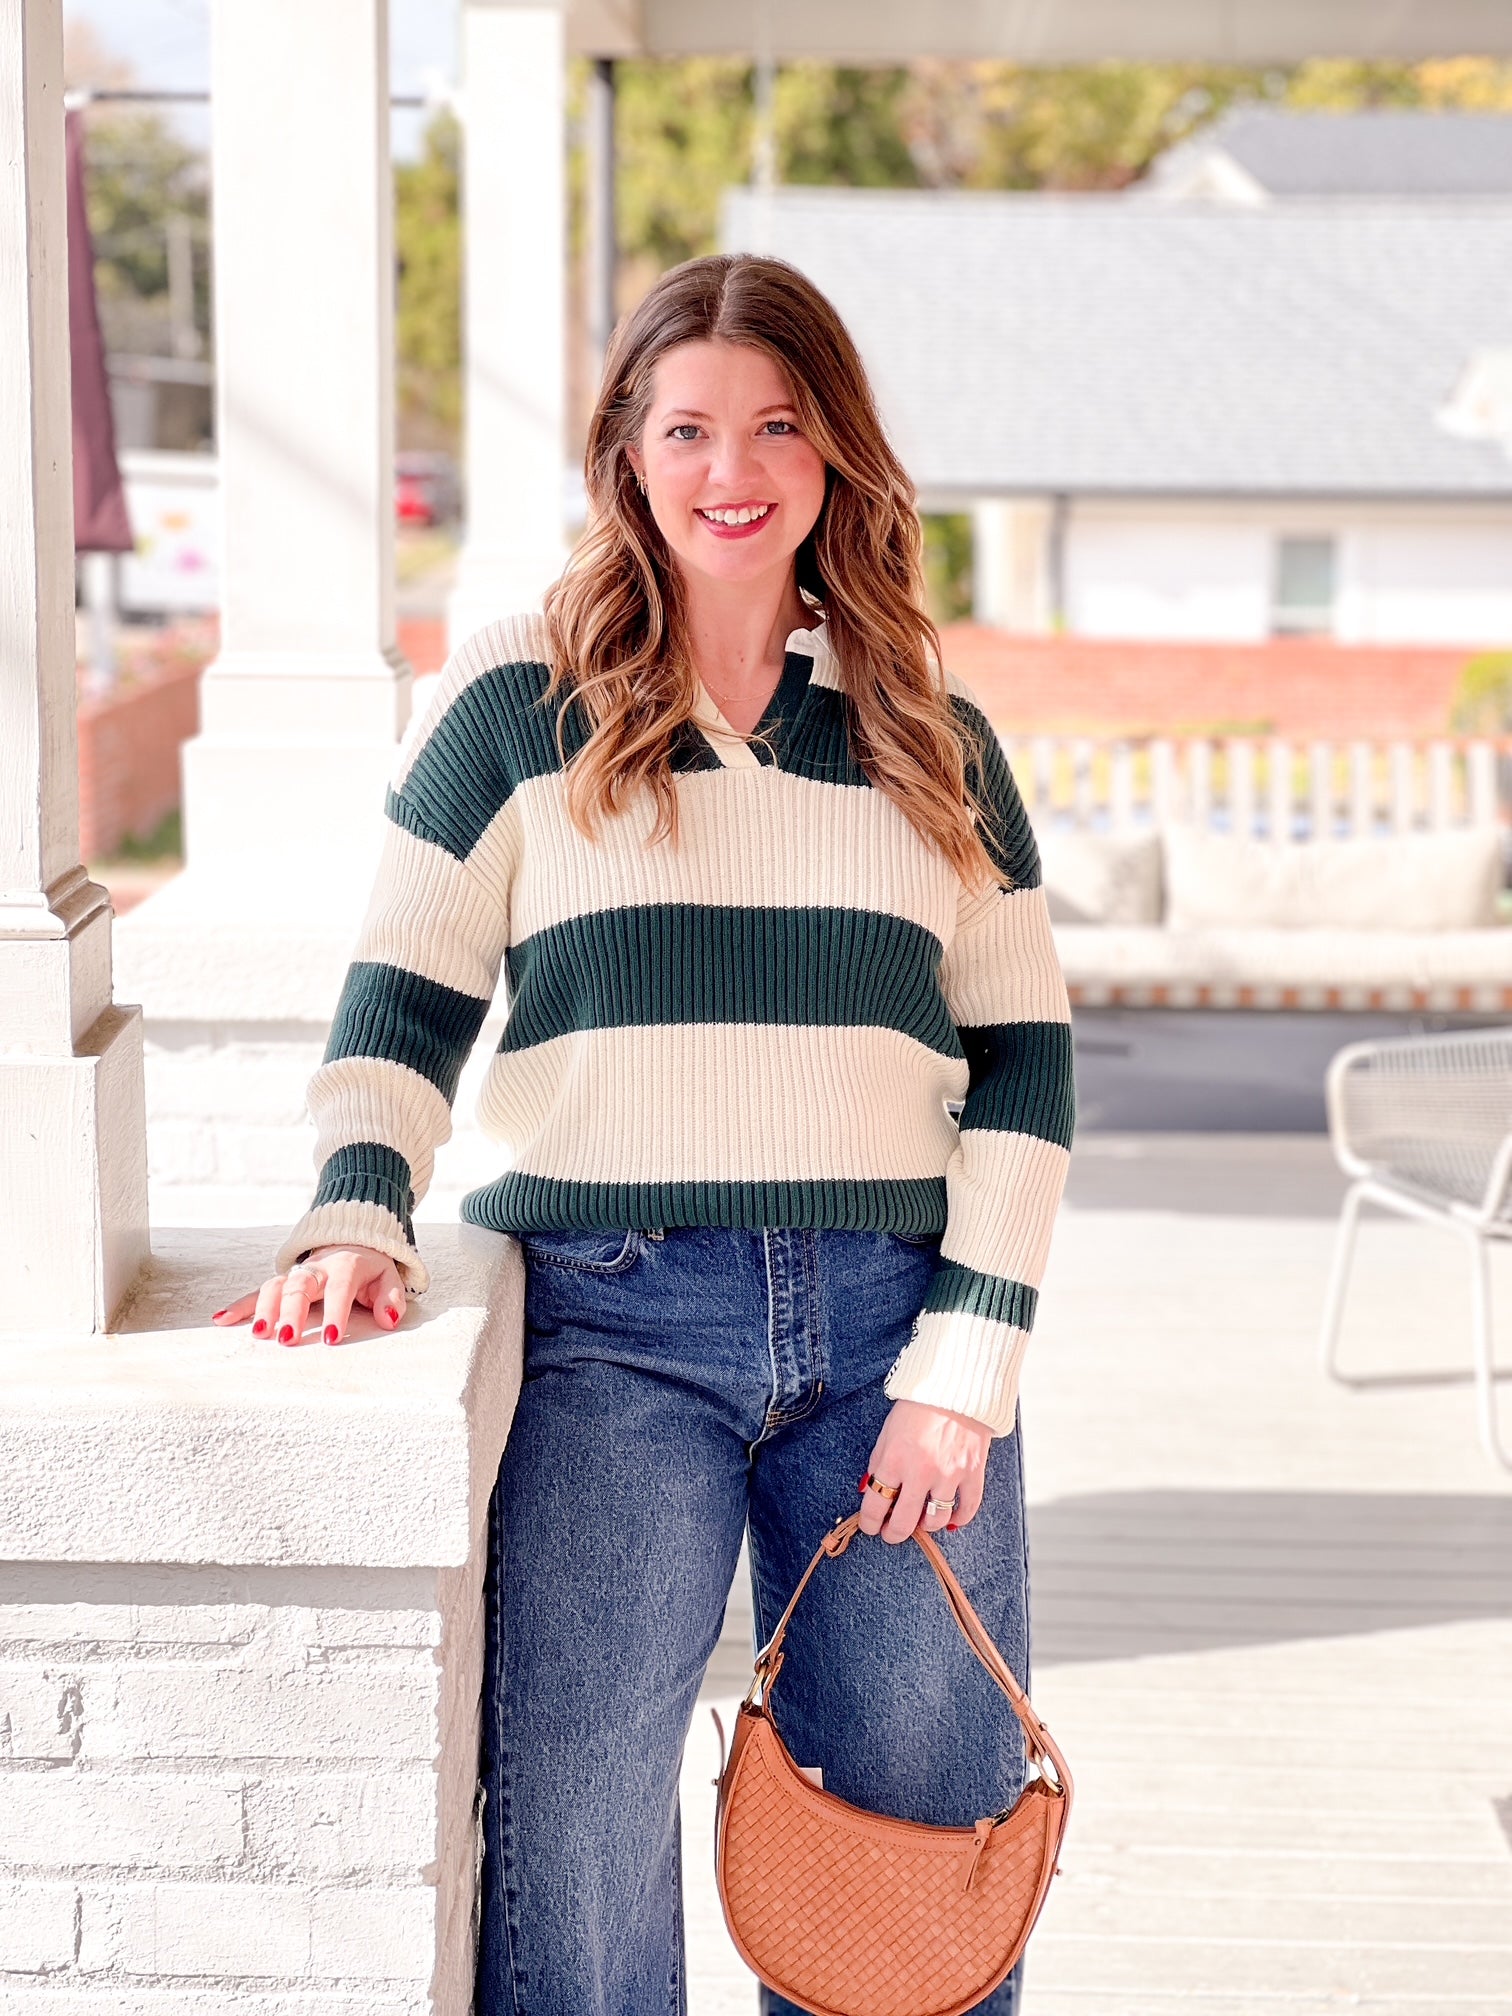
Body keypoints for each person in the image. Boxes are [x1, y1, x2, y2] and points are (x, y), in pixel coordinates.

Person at [214, 253, 1074, 2016]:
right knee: (579, 1834)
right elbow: (409, 987)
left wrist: (961, 1366)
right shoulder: (519, 704)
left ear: (836, 457)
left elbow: (1030, 1068)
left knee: (912, 1845)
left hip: (893, 1341)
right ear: (625, 449)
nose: (729, 466)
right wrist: (355, 1207)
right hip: (612, 1328)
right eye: (685, 426)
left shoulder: (931, 734)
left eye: (776, 424)